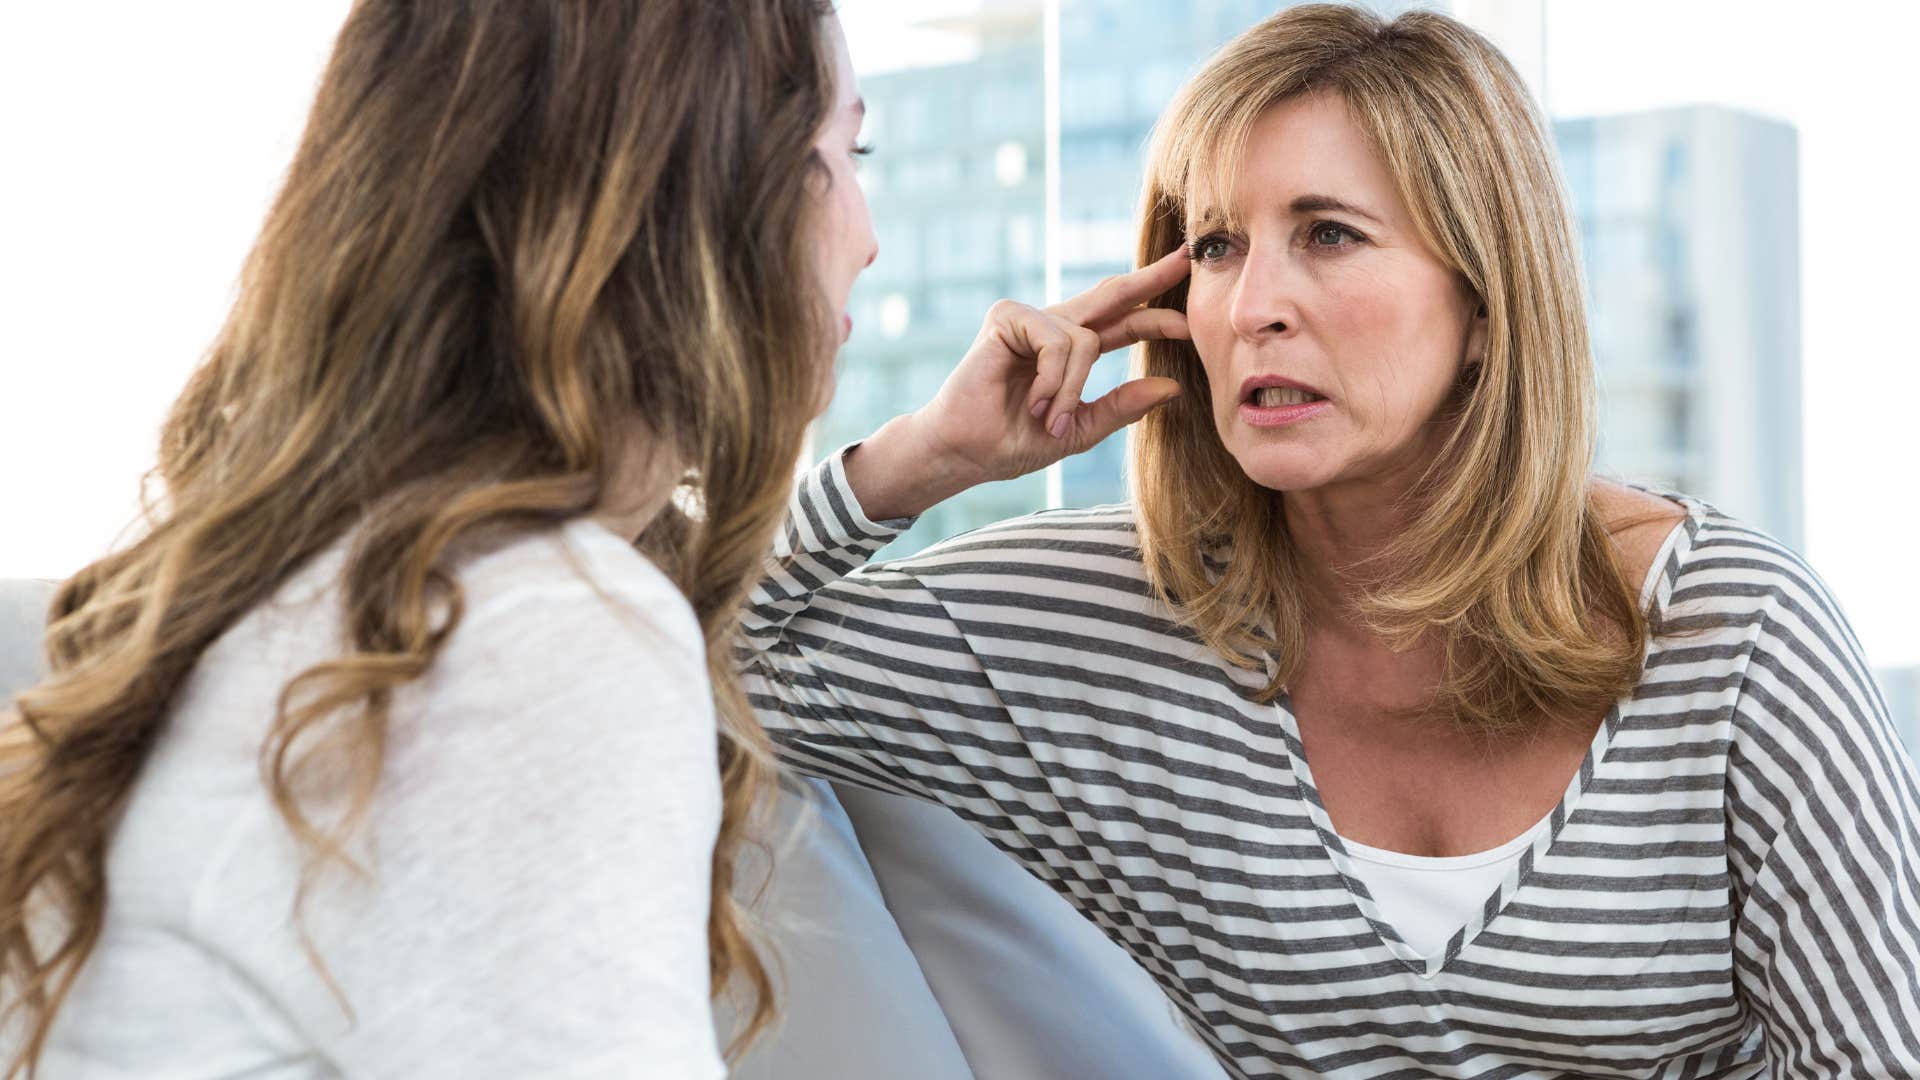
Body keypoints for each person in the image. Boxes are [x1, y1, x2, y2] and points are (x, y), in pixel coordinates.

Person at [742, 4, 1920, 1076]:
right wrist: (922, 459)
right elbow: (702, 657)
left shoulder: (1732, 635)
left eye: (1331, 235)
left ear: (1484, 303)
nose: (1256, 305)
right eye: (1216, 246)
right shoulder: (1113, 618)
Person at [0, 1, 881, 1075]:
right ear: (700, 193)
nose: (869, 238)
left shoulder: (354, 588)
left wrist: (909, 468)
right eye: (845, 153)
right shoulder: (532, 634)